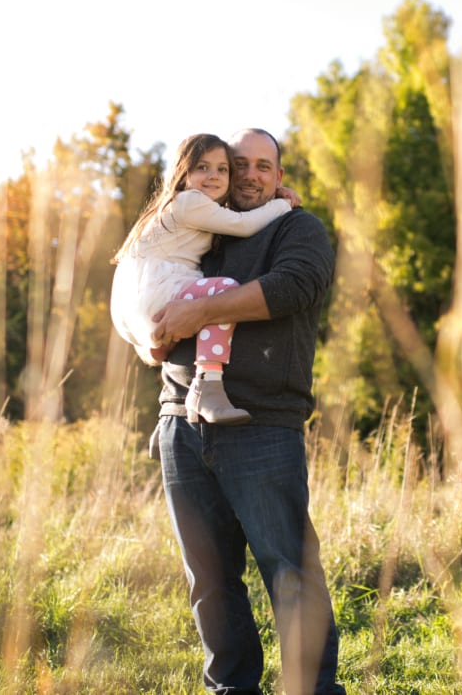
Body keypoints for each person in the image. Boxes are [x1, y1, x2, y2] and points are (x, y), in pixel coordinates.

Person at [149, 128, 345, 694]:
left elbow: (294, 286)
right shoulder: (199, 228)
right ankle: (231, 690)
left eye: (265, 165)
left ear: (279, 176)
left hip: (261, 425)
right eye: (241, 165)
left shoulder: (297, 228)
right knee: (209, 579)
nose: (252, 174)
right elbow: (148, 283)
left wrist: (201, 311)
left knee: (289, 570)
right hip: (181, 422)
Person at [110, 132, 296, 425]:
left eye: (222, 169)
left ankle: (172, 412)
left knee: (191, 323)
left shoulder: (186, 206)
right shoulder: (190, 202)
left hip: (138, 299)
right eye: (202, 167)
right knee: (224, 292)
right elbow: (244, 225)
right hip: (158, 291)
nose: (214, 176)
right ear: (183, 172)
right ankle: (207, 385)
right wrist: (283, 204)